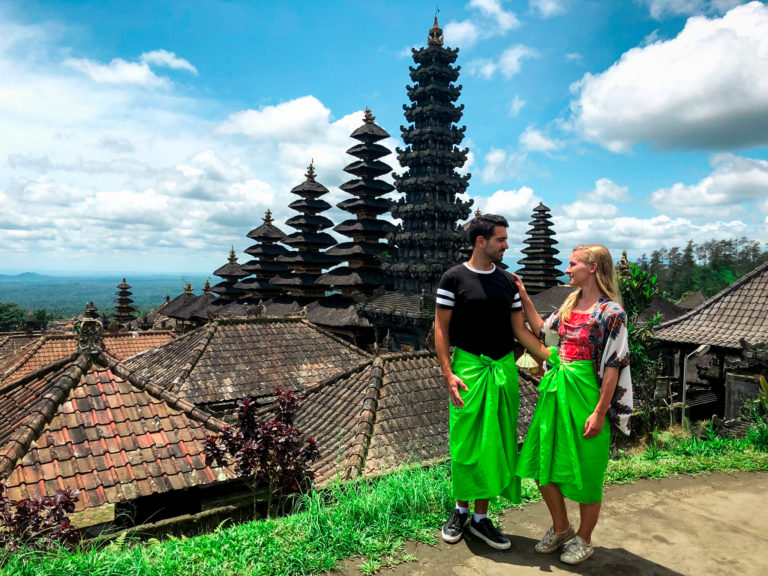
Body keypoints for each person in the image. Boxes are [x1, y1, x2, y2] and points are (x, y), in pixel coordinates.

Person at [434, 214, 552, 549]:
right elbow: (440, 327)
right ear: (481, 242)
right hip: (469, 369)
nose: (506, 245)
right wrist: (448, 372)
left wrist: (551, 358)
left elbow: (520, 331)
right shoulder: (453, 278)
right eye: (501, 239)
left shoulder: (507, 282)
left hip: (502, 370)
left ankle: (480, 518)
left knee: (496, 443)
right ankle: (460, 509)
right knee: (465, 443)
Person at [515, 243, 633, 565]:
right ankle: (562, 527)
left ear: (592, 267)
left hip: (587, 395)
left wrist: (599, 413)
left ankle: (584, 538)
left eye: (573, 264)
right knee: (544, 464)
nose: (568, 270)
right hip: (556, 394)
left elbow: (613, 366)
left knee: (588, 471)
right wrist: (523, 295)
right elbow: (542, 331)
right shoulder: (569, 304)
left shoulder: (612, 313)